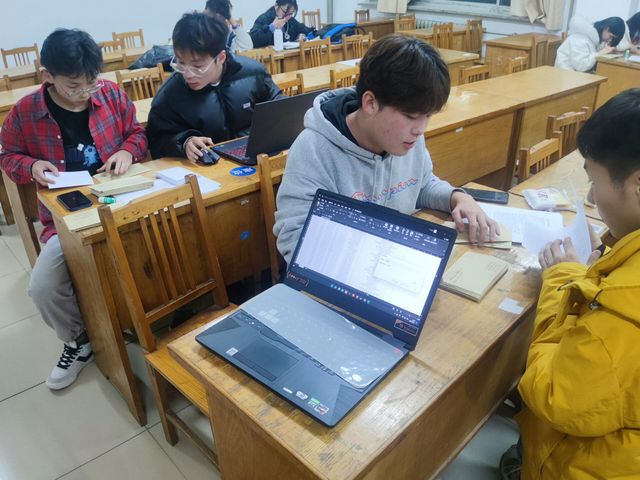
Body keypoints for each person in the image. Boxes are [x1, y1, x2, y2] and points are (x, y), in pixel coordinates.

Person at [502, 88, 640, 480]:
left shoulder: (623, 310)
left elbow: (553, 395)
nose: (591, 197)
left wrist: (563, 278)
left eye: (594, 181)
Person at [0, 29, 147, 390]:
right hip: (67, 216)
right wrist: (32, 166)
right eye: (74, 86)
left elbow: (137, 133)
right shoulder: (26, 112)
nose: (85, 92)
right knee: (43, 287)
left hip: (120, 200)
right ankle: (79, 340)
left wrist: (127, 151)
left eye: (91, 82)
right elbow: (7, 156)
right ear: (47, 75)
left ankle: (154, 318)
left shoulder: (110, 94)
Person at [274, 35, 498, 264]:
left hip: (391, 260)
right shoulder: (313, 149)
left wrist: (457, 198)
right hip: (338, 269)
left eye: (428, 116)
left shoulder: (406, 138)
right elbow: (295, 239)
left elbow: (420, 185)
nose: (420, 129)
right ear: (370, 103)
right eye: (411, 116)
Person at [147, 12, 281, 161]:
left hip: (255, 156)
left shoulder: (253, 74)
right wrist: (185, 142)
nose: (187, 74)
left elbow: (278, 104)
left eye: (197, 66)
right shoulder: (170, 95)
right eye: (181, 63)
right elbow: (157, 140)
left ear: (221, 58)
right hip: (209, 167)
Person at [555, 16, 625, 71]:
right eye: (611, 36)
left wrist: (607, 52)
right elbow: (581, 66)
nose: (610, 40)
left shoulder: (594, 38)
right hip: (566, 76)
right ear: (606, 29)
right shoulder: (580, 38)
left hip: (576, 74)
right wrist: (600, 53)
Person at [249, 0, 315, 48]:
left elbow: (306, 29)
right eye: (285, 11)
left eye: (290, 13)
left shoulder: (290, 20)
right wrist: (272, 26)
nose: (287, 17)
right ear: (276, 5)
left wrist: (302, 35)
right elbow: (253, 40)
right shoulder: (264, 18)